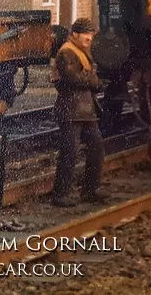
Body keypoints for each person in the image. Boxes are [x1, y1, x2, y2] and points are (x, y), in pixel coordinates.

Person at [51, 18, 106, 207]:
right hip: (71, 109)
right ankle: (60, 194)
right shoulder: (66, 52)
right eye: (86, 34)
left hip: (85, 109)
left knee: (97, 148)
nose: (89, 38)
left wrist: (93, 82)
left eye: (91, 34)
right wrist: (95, 82)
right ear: (75, 34)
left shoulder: (81, 51)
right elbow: (73, 78)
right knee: (70, 152)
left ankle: (90, 191)